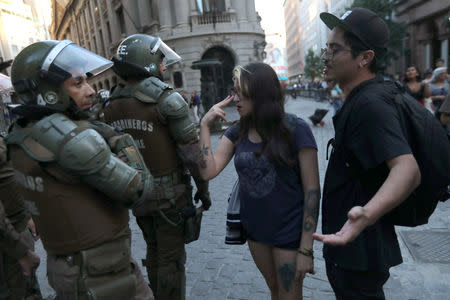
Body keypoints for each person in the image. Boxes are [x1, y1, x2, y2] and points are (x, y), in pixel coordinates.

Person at [6, 40, 157, 300]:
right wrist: (122, 141)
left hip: (72, 267)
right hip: (103, 273)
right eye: (78, 84)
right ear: (49, 92)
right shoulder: (69, 138)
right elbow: (140, 189)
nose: (91, 91)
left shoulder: (21, 131)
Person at [312, 8, 421, 299]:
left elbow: (407, 168)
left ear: (365, 58)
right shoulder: (361, 99)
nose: (325, 56)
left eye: (335, 49)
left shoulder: (370, 105)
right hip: (351, 250)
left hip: (359, 254)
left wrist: (365, 215)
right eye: (326, 47)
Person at [100, 34, 211, 300]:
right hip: (170, 197)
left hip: (137, 194)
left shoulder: (111, 104)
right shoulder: (166, 99)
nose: (164, 67)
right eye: (160, 62)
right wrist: (203, 190)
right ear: (147, 62)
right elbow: (193, 155)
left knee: (153, 249)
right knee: (171, 259)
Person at [199, 62, 320, 299]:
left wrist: (306, 248)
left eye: (242, 92)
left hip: (289, 232)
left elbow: (312, 191)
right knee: (275, 290)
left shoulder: (296, 129)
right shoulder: (236, 132)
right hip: (256, 232)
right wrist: (204, 125)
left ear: (262, 93)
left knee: (290, 295)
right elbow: (207, 172)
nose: (236, 98)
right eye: (235, 91)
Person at [0, 136, 43, 300]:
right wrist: (21, 252)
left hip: (15, 233)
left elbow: (8, 180)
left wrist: (27, 214)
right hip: (8, 245)